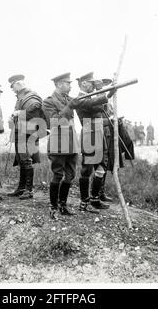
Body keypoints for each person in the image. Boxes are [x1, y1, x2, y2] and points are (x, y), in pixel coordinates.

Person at [74, 72, 115, 212]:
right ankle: (84, 202)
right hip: (89, 135)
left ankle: (95, 199)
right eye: (91, 83)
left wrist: (107, 94)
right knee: (86, 170)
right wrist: (108, 93)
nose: (93, 85)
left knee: (101, 167)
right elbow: (93, 103)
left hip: (98, 134)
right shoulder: (80, 98)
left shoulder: (89, 97)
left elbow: (99, 107)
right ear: (83, 83)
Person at [42, 73, 80, 218]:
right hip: (58, 142)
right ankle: (53, 207)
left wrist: (106, 96)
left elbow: (87, 103)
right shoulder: (48, 102)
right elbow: (55, 121)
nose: (70, 86)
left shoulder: (69, 99)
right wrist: (69, 106)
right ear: (58, 84)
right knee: (58, 174)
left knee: (70, 175)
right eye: (67, 83)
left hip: (71, 143)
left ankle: (62, 205)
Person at [6, 74, 45, 200]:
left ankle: (28, 190)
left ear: (18, 84)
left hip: (28, 133)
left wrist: (19, 113)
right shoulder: (21, 97)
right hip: (21, 132)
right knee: (22, 160)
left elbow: (36, 110)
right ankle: (21, 188)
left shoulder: (32, 95)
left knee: (26, 160)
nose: (13, 90)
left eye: (13, 87)